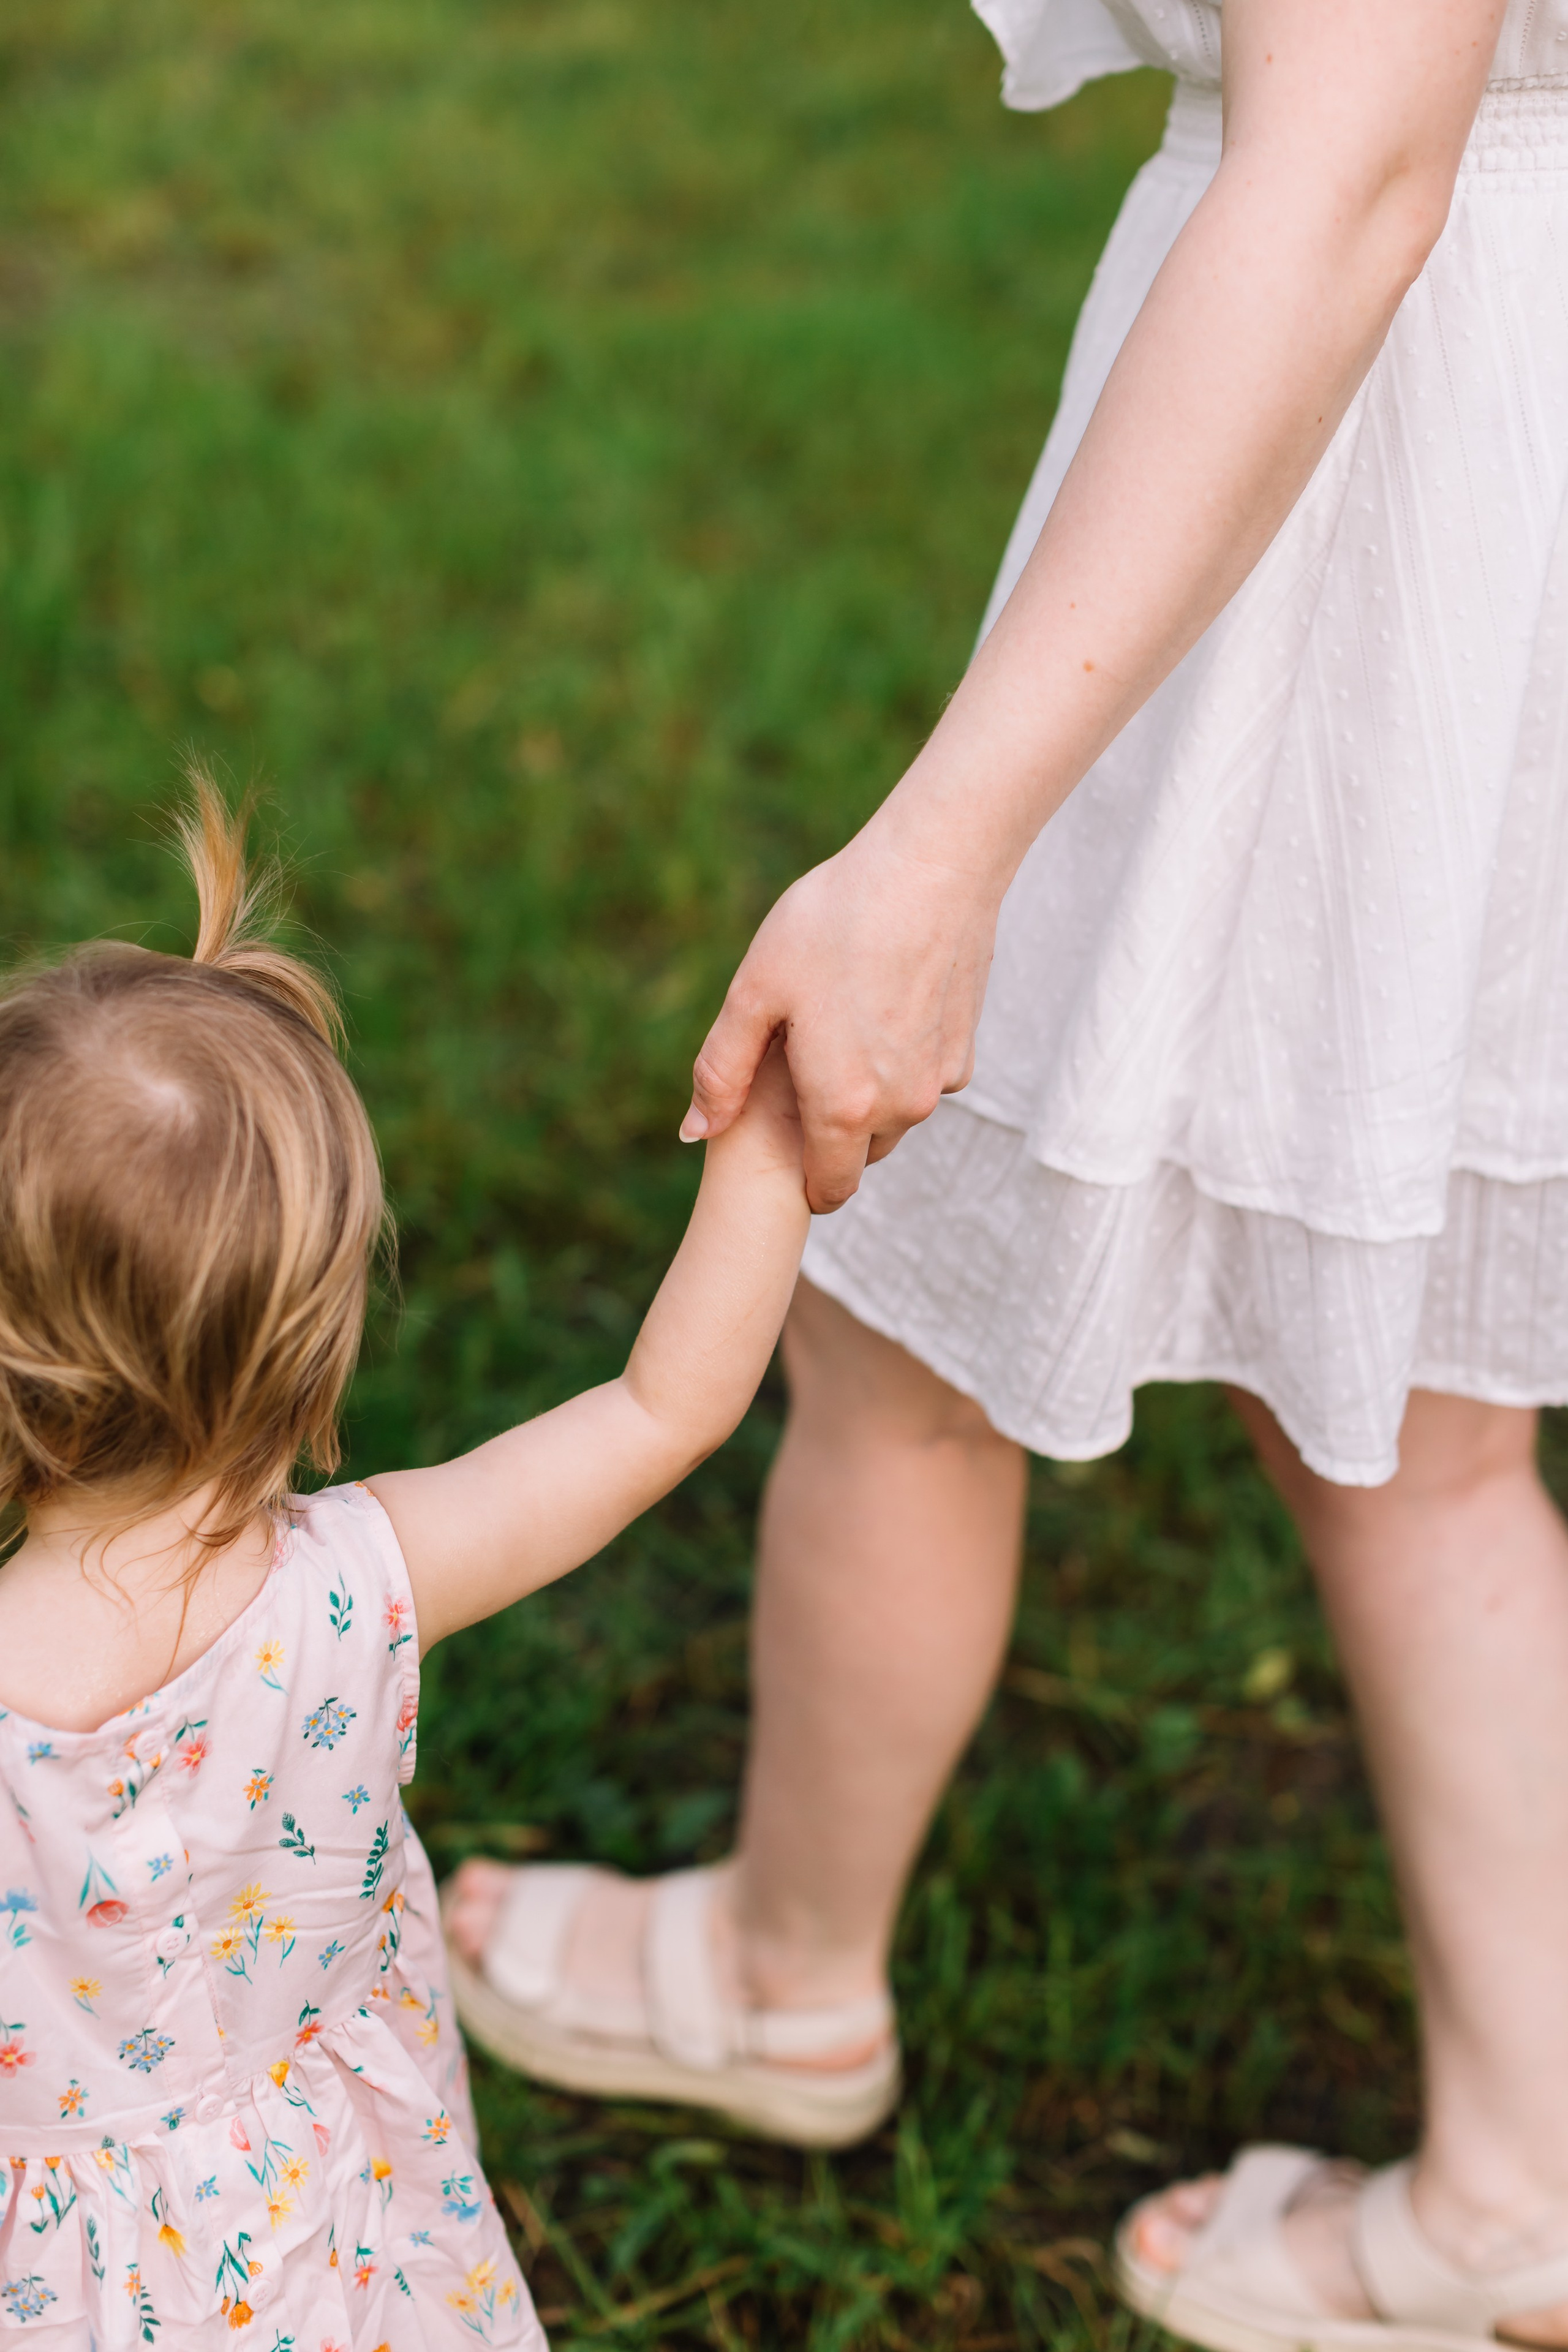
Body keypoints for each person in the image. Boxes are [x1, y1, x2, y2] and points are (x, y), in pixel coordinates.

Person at [447, 0, 1568, 2343]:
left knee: (898, 1292)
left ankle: (786, 1975)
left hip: (1344, 485)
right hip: (1476, 428)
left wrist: (940, 855)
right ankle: (1527, 2185)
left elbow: (1348, 172)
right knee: (1423, 1426)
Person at [0, 781, 810, 2346]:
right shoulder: (358, 1587)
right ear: (312, 1347)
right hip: (341, 2236)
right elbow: (662, 1411)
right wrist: (767, 1149)